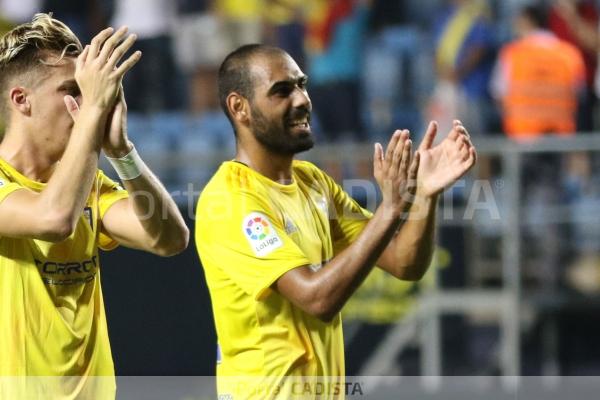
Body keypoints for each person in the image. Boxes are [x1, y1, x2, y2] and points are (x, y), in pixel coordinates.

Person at [195, 44, 476, 399]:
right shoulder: (230, 199)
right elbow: (317, 299)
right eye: (282, 91)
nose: (302, 100)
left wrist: (424, 197)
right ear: (240, 108)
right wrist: (391, 208)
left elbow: (404, 263)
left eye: (301, 84)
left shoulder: (313, 182)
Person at [0, 14, 189, 398]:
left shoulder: (86, 184)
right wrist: (91, 120)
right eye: (73, 90)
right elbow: (53, 219)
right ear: (21, 100)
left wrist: (122, 153)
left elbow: (169, 239)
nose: (89, 105)